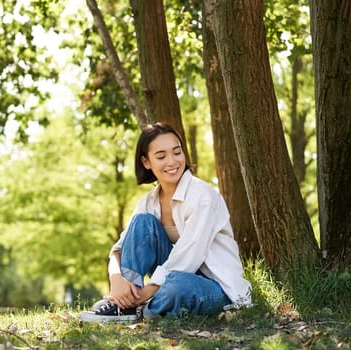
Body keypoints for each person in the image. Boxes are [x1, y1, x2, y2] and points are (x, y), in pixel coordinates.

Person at [80, 122, 252, 323]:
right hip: (171, 278)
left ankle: (137, 308)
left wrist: (143, 294)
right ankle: (124, 305)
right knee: (142, 222)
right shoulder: (148, 202)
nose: (172, 162)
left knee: (176, 286)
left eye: (177, 153)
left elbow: (188, 257)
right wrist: (116, 279)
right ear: (146, 162)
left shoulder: (202, 196)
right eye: (161, 156)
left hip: (216, 287)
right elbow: (118, 249)